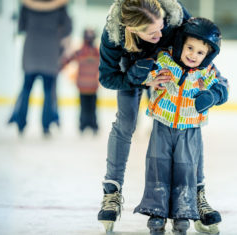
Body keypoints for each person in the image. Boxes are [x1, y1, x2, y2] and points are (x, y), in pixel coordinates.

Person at [96, 0, 228, 234]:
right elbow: (107, 77)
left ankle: (197, 195)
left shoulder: (175, 16)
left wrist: (214, 90)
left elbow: (202, 52)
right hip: (133, 72)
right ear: (132, 30)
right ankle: (112, 192)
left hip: (169, 67)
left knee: (189, 126)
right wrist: (141, 79)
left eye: (161, 26)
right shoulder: (113, 33)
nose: (160, 32)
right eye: (151, 32)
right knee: (125, 124)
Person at [132, 17, 226, 235]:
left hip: (190, 129)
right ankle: (157, 212)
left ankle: (183, 213)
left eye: (200, 52)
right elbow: (145, 74)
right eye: (190, 48)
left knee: (185, 171)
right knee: (158, 167)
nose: (193, 55)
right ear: (181, 44)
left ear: (208, 55)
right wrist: (144, 72)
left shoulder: (206, 72)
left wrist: (213, 95)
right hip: (162, 125)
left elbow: (223, 86)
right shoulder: (166, 62)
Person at [8, 0, 72, 137]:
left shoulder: (27, 5)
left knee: (26, 90)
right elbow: (67, 28)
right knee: (48, 92)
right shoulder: (60, 6)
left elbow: (21, 26)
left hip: (31, 52)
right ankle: (46, 126)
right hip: (50, 53)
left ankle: (20, 124)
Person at [61, 28, 100, 134]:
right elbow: (66, 60)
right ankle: (88, 125)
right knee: (89, 107)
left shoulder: (86, 51)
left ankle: (88, 125)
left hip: (89, 85)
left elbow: (66, 61)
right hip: (86, 85)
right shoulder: (93, 52)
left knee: (88, 107)